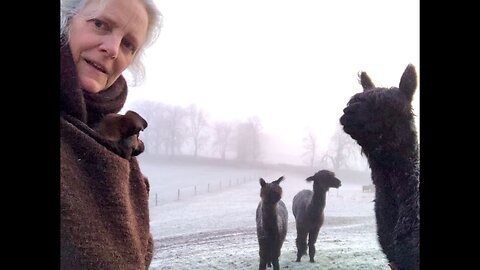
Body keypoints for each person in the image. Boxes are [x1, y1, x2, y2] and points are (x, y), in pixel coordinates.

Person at [60, 0, 162, 269]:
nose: (113, 49)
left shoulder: (122, 154)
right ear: (66, 21)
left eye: (128, 44)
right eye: (100, 24)